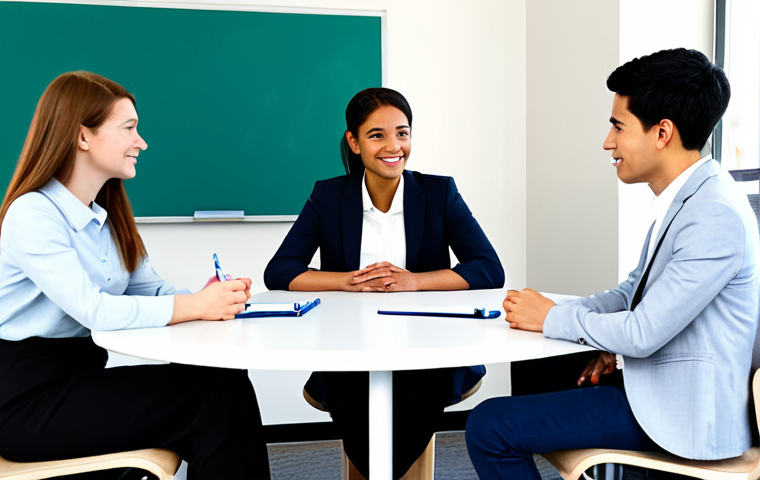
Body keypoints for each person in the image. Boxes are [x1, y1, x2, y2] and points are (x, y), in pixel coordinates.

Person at [465, 48, 759, 478]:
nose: (608, 142)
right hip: (660, 383)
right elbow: (631, 293)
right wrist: (557, 314)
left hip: (685, 413)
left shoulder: (713, 213)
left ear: (662, 133)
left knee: (489, 426)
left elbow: (641, 333)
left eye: (618, 126)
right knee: (538, 370)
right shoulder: (689, 196)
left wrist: (551, 318)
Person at [0, 71, 271, 480]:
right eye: (129, 128)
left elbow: (154, 290)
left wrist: (209, 295)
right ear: (82, 136)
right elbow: (95, 311)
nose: (141, 142)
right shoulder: (33, 214)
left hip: (78, 379)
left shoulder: (107, 219)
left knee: (221, 379)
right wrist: (195, 306)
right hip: (26, 401)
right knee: (211, 398)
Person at [264, 87, 504, 479]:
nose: (394, 146)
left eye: (403, 133)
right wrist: (347, 281)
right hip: (350, 347)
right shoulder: (328, 195)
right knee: (357, 399)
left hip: (427, 346)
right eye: (377, 135)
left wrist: (415, 282)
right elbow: (279, 271)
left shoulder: (439, 192)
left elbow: (489, 268)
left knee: (412, 395)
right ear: (354, 142)